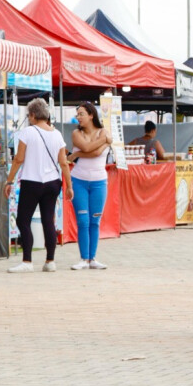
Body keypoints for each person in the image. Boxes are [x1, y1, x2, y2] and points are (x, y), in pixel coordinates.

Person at [4, 98, 72, 273]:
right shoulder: (57, 134)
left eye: (29, 115)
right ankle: (50, 261)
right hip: (53, 183)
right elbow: (63, 163)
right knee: (48, 220)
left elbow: (18, 159)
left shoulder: (27, 132)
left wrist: (9, 181)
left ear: (33, 115)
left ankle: (27, 261)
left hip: (32, 182)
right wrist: (69, 186)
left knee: (23, 220)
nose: (29, 118)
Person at [67, 102, 111, 270]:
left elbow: (97, 153)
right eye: (77, 114)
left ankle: (92, 258)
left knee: (95, 221)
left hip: (99, 182)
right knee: (83, 221)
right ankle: (83, 258)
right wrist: (105, 141)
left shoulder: (103, 131)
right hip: (79, 181)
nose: (78, 117)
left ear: (91, 115)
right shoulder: (76, 133)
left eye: (81, 114)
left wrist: (77, 154)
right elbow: (86, 147)